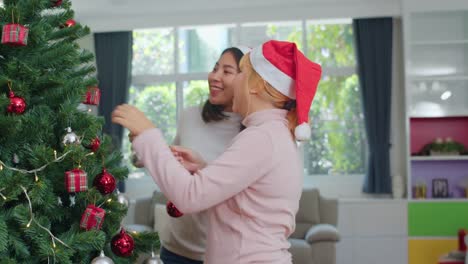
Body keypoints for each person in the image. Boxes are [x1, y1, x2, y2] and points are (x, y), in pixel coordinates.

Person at [112, 40, 322, 263]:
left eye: (241, 72)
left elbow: (189, 196)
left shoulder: (262, 137)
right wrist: (205, 169)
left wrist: (147, 133)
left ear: (256, 85)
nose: (229, 79)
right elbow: (246, 199)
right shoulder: (271, 133)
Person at [160, 47, 248, 264]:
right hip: (175, 249)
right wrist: (149, 154)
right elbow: (173, 160)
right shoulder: (190, 116)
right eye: (215, 68)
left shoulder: (252, 132)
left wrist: (203, 167)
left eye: (227, 71)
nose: (215, 77)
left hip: (224, 254)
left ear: (246, 80)